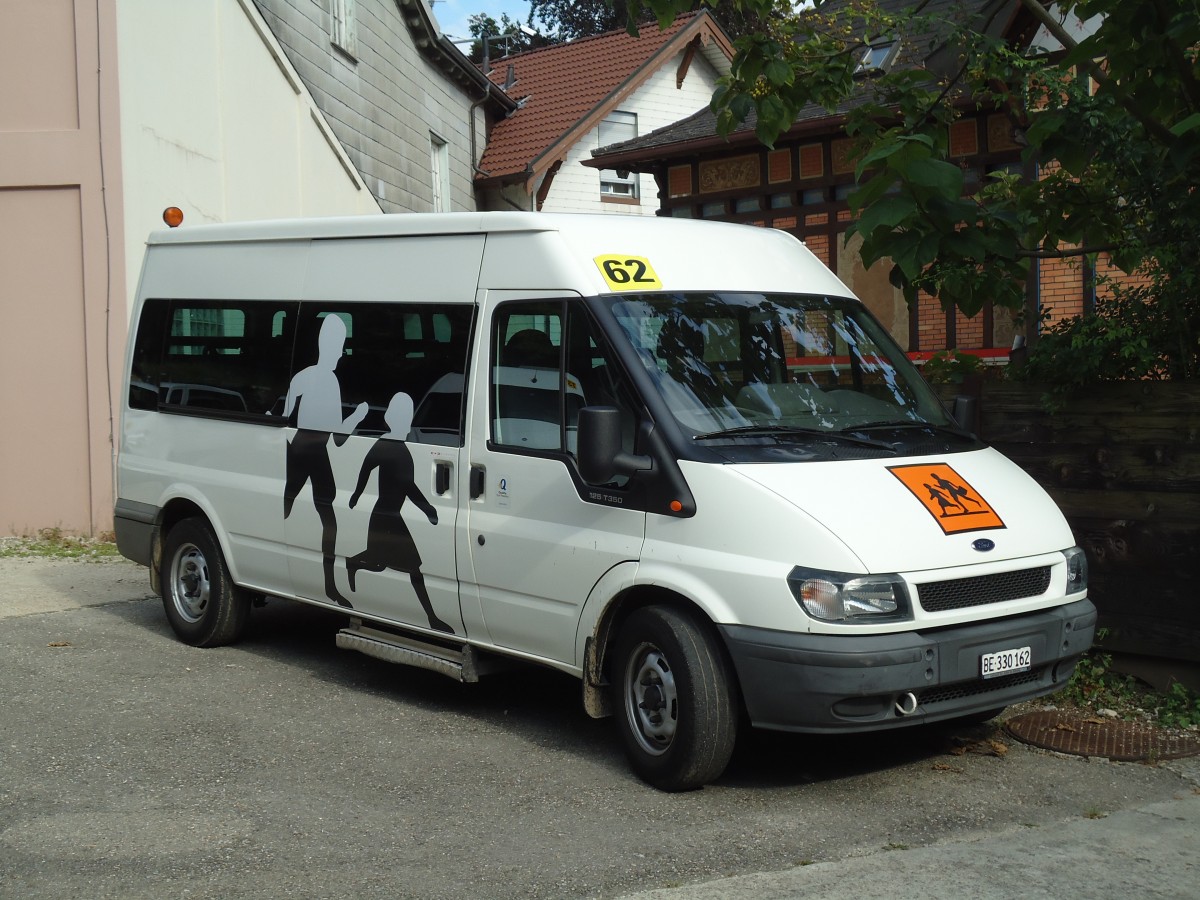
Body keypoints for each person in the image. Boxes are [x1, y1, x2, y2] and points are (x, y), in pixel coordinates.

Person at [346, 392, 453, 634]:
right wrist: (356, 494)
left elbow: (409, 486)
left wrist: (428, 509)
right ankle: (432, 617)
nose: (408, 422)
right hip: (384, 515)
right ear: (395, 419)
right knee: (392, 565)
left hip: (393, 515)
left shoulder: (402, 449)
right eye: (405, 417)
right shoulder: (387, 445)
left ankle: (353, 563)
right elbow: (367, 467)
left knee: (400, 566)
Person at [282, 315, 367, 606]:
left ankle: (313, 578)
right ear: (328, 344)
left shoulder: (301, 376)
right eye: (341, 346)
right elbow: (339, 437)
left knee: (288, 504)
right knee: (328, 520)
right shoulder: (329, 381)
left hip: (297, 449)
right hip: (316, 451)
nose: (343, 353)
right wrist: (357, 416)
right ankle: (329, 586)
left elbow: (284, 418)